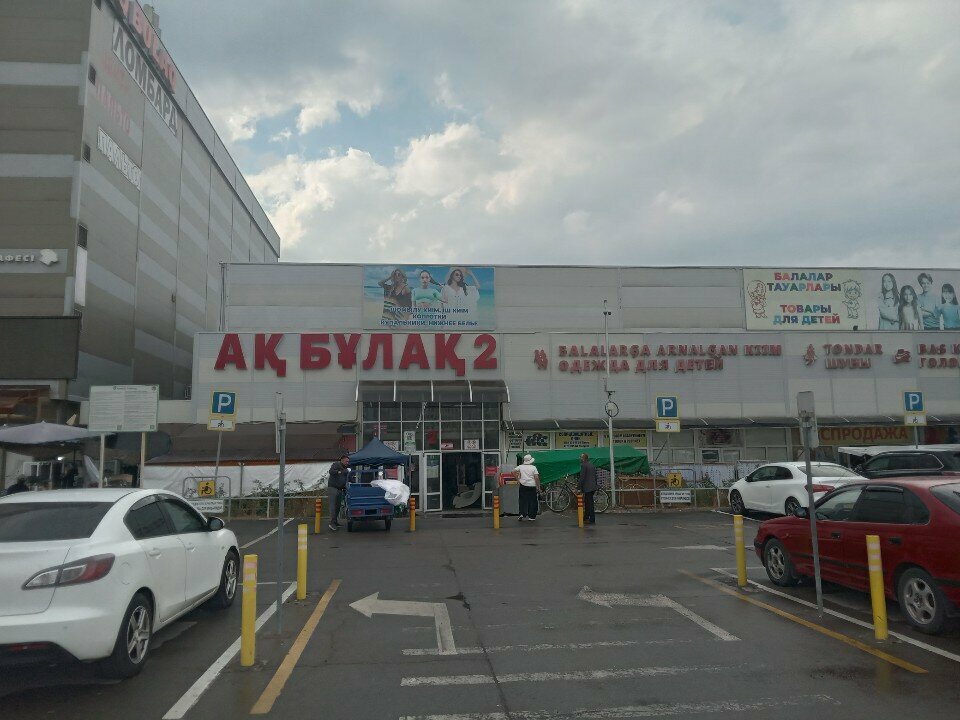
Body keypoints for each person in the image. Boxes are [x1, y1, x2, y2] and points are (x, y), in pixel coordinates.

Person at [327, 455, 350, 531]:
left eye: (348, 461)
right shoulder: (336, 464)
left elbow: (348, 478)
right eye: (346, 461)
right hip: (333, 488)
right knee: (333, 506)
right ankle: (331, 523)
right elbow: (331, 472)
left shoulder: (346, 469)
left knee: (337, 506)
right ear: (342, 460)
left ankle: (335, 521)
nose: (347, 463)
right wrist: (340, 471)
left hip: (340, 489)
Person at [516, 454, 540, 521]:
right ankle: (531, 516)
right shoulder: (533, 467)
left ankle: (522, 513)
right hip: (532, 486)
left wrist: (518, 480)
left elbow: (513, 471)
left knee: (522, 500)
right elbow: (536, 477)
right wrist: (538, 486)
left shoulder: (520, 466)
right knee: (532, 501)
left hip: (523, 485)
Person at [578, 453, 598, 525]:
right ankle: (586, 517)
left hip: (588, 487)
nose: (580, 458)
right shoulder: (591, 465)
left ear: (584, 458)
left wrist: (579, 487)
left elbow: (582, 477)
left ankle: (592, 519)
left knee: (589, 503)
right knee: (587, 502)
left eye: (581, 457)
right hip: (593, 487)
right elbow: (595, 476)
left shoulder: (583, 465)